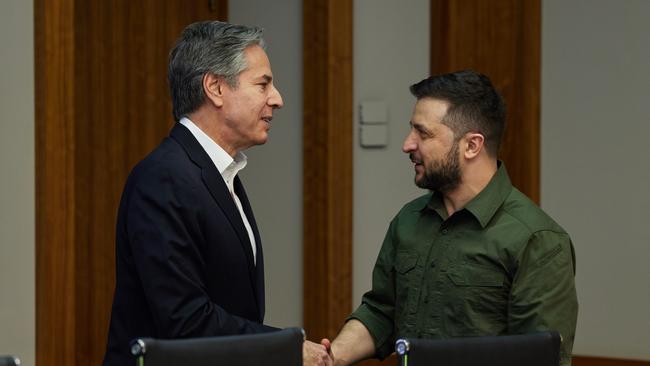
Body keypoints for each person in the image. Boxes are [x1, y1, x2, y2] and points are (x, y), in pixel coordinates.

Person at [103, 21, 329, 366]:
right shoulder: (164, 178)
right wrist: (285, 347)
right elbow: (185, 319)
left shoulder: (219, 172)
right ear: (215, 88)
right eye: (263, 84)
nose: (277, 99)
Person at [321, 70, 578, 366]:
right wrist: (332, 357)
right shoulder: (409, 220)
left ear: (472, 145)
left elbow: (539, 358)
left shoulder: (537, 240)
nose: (407, 144)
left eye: (423, 133)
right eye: (411, 130)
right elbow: (382, 312)